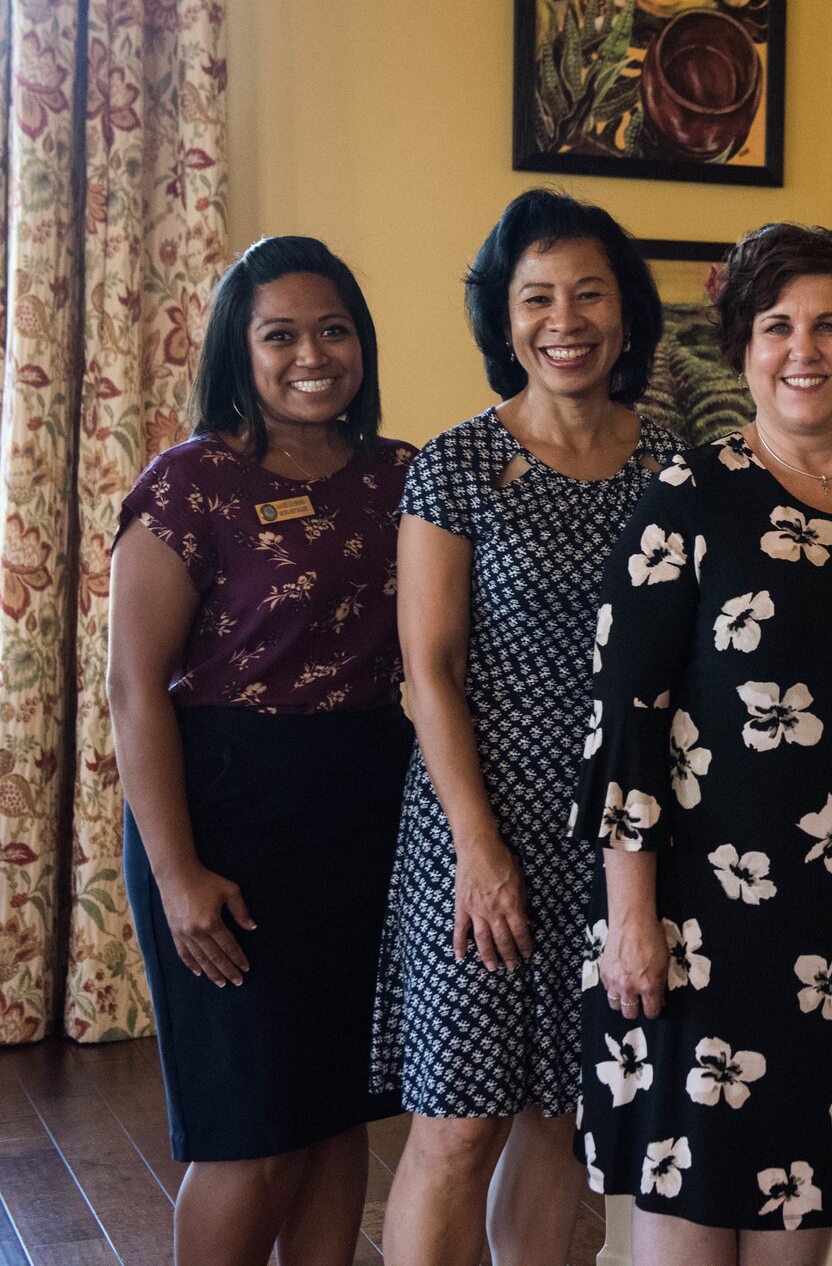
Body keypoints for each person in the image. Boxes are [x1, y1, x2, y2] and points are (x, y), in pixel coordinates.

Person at [576, 223, 832, 1264]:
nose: (804, 348)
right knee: (692, 1221)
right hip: (699, 925)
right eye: (777, 325)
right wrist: (630, 920)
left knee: (804, 1227)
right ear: (742, 345)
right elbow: (624, 726)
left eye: (829, 324)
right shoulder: (686, 498)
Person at [371, 189, 675, 1266]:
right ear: (504, 322)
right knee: (458, 1122)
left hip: (621, 835)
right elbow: (430, 672)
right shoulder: (455, 466)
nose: (565, 318)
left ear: (626, 313)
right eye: (536, 296)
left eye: (589, 292)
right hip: (480, 822)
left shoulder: (674, 463)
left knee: (562, 1114)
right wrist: (478, 850)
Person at [108, 236, 413, 1265]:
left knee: (333, 1113)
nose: (311, 354)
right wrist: (176, 871)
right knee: (247, 1132)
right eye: (278, 335)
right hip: (224, 816)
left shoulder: (398, 476)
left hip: (366, 807)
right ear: (239, 352)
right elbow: (132, 690)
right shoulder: (189, 484)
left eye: (333, 330)